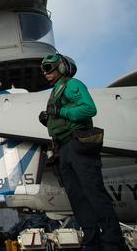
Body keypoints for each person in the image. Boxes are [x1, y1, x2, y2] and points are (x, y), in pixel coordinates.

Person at [38, 53, 122, 251]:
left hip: (78, 145)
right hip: (63, 149)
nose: (45, 73)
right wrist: (47, 119)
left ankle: (113, 244)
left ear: (61, 67)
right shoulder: (56, 91)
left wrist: (61, 112)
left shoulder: (73, 85)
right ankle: (92, 243)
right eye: (43, 69)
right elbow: (60, 117)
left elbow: (89, 109)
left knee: (94, 194)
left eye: (48, 68)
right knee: (78, 199)